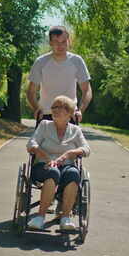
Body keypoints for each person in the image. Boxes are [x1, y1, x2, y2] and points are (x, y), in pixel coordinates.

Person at [26, 95, 91, 230]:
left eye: (59, 107)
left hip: (66, 166)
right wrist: (46, 157)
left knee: (74, 174)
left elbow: (87, 149)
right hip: (43, 166)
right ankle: (40, 217)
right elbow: (31, 143)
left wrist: (70, 153)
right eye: (53, 107)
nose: (54, 110)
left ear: (69, 113)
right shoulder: (44, 125)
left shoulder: (75, 130)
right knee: (53, 171)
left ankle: (65, 218)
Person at [27, 26, 93, 126]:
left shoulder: (77, 61)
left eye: (63, 42)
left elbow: (87, 90)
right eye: (56, 42)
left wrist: (80, 110)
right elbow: (31, 91)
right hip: (46, 115)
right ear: (50, 43)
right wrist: (37, 109)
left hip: (70, 115)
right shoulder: (40, 62)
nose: (60, 45)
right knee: (36, 142)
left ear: (69, 41)